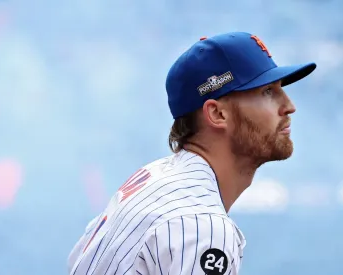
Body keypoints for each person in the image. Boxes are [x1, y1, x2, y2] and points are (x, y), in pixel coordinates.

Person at [67, 31, 316, 275]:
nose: (289, 106)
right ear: (217, 114)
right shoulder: (201, 223)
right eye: (268, 92)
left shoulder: (155, 177)